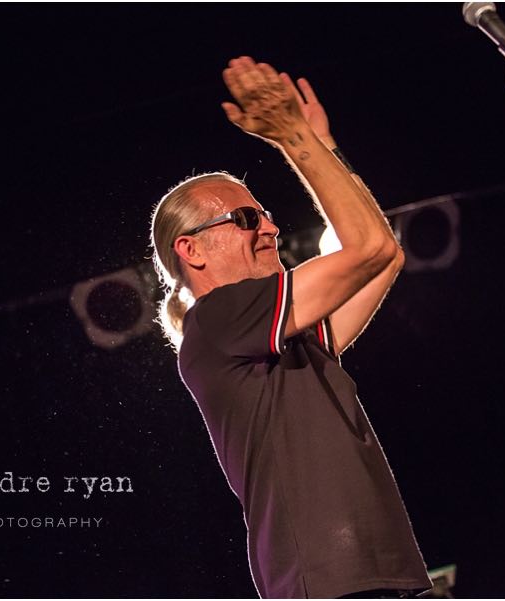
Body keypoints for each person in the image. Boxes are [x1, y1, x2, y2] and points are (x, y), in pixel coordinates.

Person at [150, 56, 432, 599]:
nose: (273, 228)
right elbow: (368, 249)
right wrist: (295, 139)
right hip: (331, 584)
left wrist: (317, 149)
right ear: (192, 250)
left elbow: (384, 256)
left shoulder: (280, 337)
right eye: (247, 219)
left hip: (376, 580)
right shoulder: (218, 318)